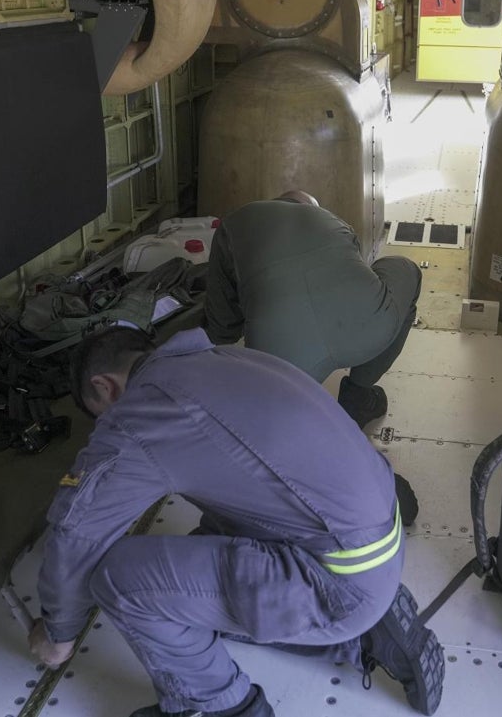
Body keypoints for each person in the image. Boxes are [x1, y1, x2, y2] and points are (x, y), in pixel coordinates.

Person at [28, 325, 444, 717]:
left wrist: (59, 632)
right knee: (191, 576)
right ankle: (367, 638)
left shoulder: (147, 407)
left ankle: (222, 706)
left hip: (340, 582)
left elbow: (77, 529)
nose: (106, 427)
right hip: (374, 546)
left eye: (100, 415)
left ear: (104, 386)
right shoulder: (225, 359)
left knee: (121, 580)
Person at [205, 191, 422, 429]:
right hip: (367, 329)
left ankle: (286, 408)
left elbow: (222, 324)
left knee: (275, 423)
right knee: (405, 268)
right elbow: (353, 273)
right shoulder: (333, 222)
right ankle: (358, 395)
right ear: (311, 206)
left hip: (282, 360)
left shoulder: (234, 223)